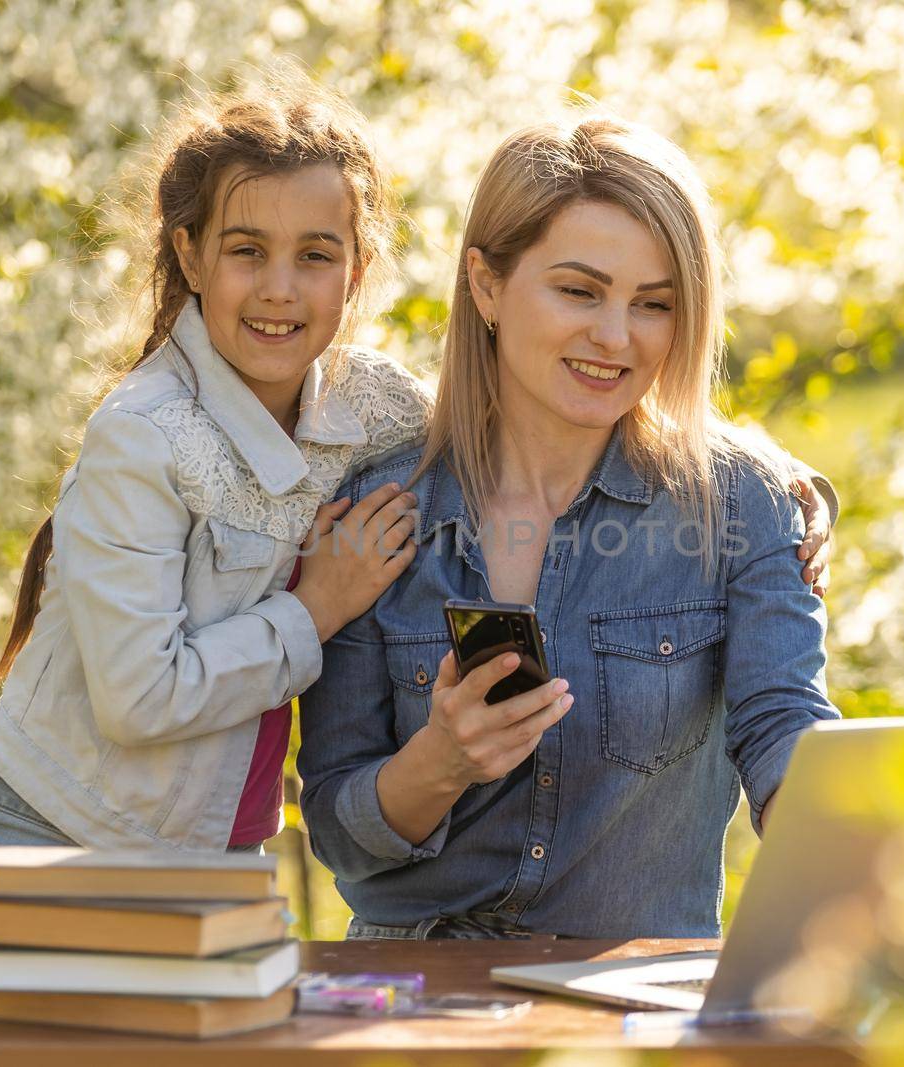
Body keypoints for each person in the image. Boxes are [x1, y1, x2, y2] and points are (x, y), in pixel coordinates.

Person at [297, 114, 840, 941]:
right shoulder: (378, 511)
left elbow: (782, 718)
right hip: (418, 1001)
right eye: (580, 291)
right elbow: (338, 834)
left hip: (630, 998)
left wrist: (838, 824)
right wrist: (438, 763)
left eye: (653, 304)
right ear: (485, 284)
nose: (615, 337)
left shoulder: (742, 504)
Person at [0, 70, 432, 918]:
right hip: (58, 842)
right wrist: (320, 607)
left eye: (315, 255)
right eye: (247, 250)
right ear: (190, 254)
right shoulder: (146, 435)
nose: (280, 287)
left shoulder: (372, 406)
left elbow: (490, 428)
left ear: (356, 273)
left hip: (223, 855)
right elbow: (140, 699)